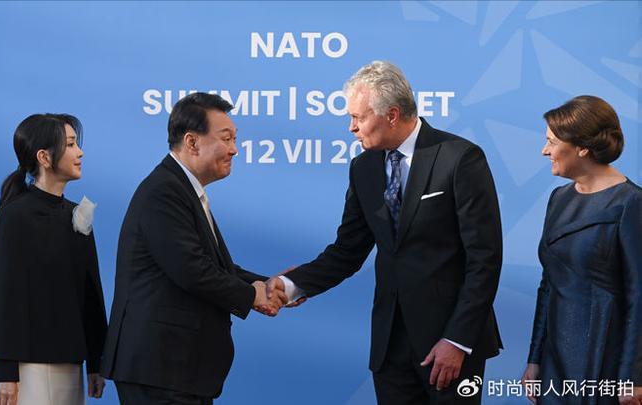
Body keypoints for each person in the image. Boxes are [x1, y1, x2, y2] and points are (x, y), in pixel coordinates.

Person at [268, 61, 503, 404]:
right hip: (390, 348)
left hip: (449, 347)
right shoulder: (363, 168)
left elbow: (484, 258)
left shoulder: (459, 158)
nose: (351, 127)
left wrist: (457, 340)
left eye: (358, 118)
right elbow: (347, 250)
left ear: (391, 115)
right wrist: (292, 285)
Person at [100, 92, 287, 404]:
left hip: (176, 370)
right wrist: (252, 295)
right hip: (159, 369)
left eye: (235, 139)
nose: (234, 149)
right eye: (226, 139)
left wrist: (269, 284)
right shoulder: (164, 191)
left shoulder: (181, 188)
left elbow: (213, 266)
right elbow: (191, 269)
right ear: (192, 142)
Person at [522, 95, 642, 405]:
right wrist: (534, 359)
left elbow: (639, 295)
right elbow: (549, 284)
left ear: (582, 148)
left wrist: (633, 378)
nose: (544, 150)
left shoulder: (631, 203)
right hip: (555, 359)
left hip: (605, 357)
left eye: (552, 142)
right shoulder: (558, 199)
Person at [0, 114, 108, 405]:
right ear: (44, 157)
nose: (80, 153)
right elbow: (4, 296)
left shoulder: (78, 214)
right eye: (71, 145)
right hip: (31, 366)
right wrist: (4, 372)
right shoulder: (16, 217)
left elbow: (91, 294)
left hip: (71, 362)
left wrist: (96, 362)